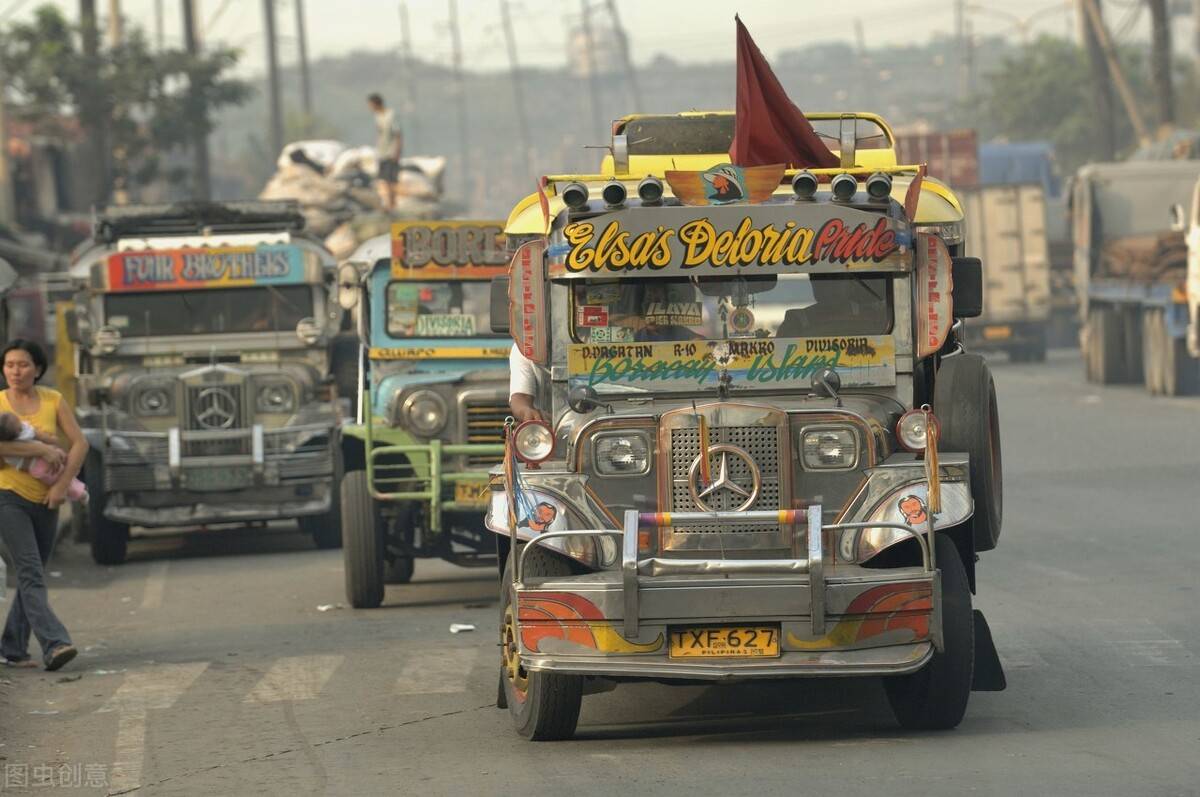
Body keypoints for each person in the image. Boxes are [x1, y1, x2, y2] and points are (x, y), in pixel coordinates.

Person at [0, 340, 88, 671]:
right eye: (9, 365)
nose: (15, 371)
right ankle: (55, 643)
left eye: (22, 365)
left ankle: (11, 647)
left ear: (37, 369)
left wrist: (63, 486)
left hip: (48, 500)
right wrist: (40, 450)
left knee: (31, 576)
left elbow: (79, 443)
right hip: (8, 498)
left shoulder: (53, 400)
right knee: (31, 572)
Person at [0, 412, 86, 501]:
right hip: (10, 492)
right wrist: (45, 447)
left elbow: (80, 442)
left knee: (58, 476)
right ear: (18, 430)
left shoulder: (54, 401)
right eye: (19, 423)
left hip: (38, 478)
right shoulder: (25, 431)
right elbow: (46, 438)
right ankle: (79, 492)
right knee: (60, 472)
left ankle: (77, 490)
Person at [367, 93, 403, 211]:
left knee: (391, 180)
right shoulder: (377, 116)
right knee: (384, 180)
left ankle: (393, 204)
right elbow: (380, 134)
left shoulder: (391, 115)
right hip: (382, 152)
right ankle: (387, 204)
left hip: (391, 152)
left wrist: (397, 151)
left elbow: (398, 134)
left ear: (376, 103)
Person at [508, 343, 545, 423]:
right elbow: (522, 395)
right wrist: (526, 411)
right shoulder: (524, 347)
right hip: (546, 427)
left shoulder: (578, 345)